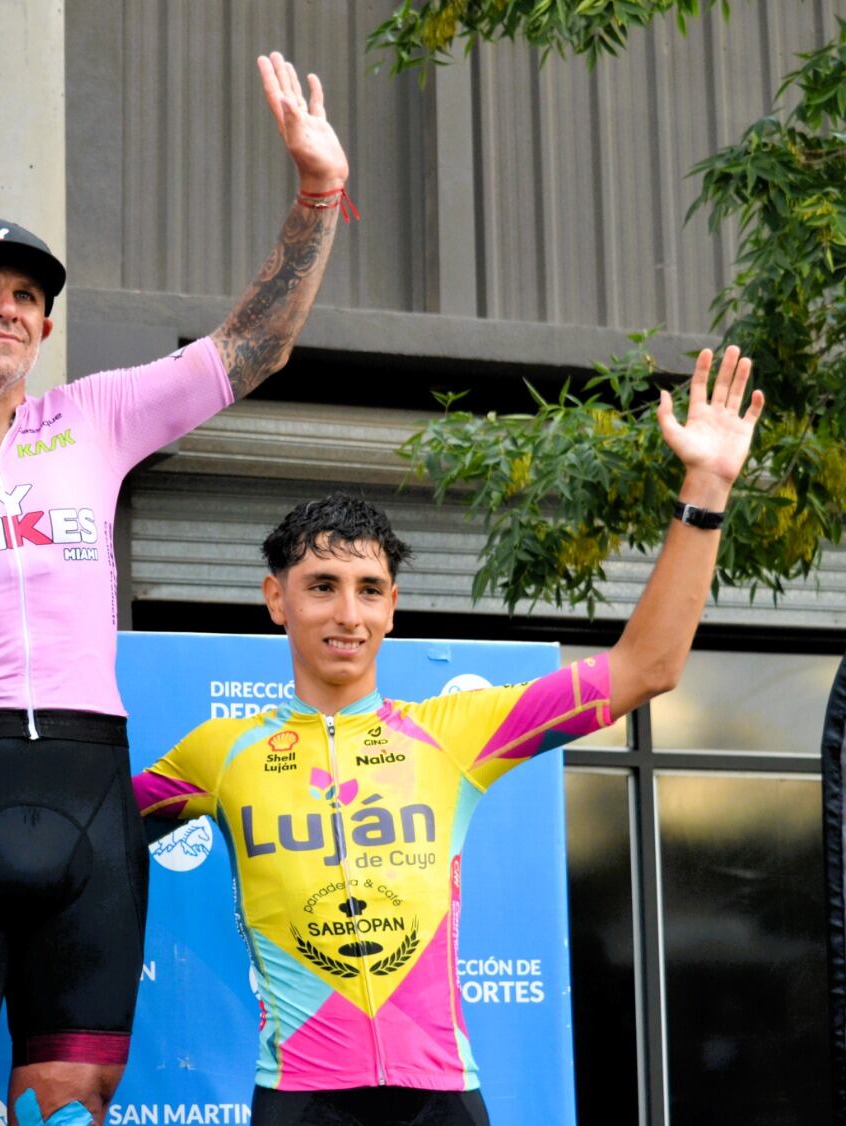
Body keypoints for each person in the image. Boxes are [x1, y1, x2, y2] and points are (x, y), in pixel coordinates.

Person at [0, 48, 352, 1126]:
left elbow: (257, 347)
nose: (5, 309)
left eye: (25, 297)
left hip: (91, 792)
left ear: (45, 329)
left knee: (71, 1104)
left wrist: (317, 195)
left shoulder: (95, 417)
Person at [132, 348, 764, 1125]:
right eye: (321, 588)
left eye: (369, 591)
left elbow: (647, 668)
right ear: (277, 600)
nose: (348, 615)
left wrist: (708, 485)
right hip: (297, 1099)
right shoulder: (218, 753)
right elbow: (90, 837)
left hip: (441, 1098)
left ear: (393, 606)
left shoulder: (455, 732)